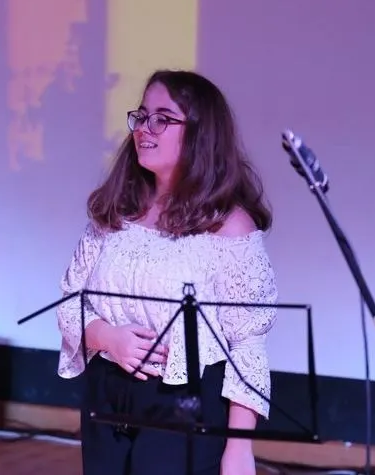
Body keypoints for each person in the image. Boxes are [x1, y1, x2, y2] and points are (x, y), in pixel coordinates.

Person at [56, 69, 280, 475]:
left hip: (182, 404)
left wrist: (239, 448)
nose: (145, 128)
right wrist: (106, 337)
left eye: (163, 117)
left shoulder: (229, 226)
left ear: (200, 134)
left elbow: (248, 343)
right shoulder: (116, 212)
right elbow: (70, 301)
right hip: (107, 395)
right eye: (141, 116)